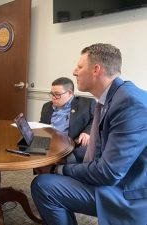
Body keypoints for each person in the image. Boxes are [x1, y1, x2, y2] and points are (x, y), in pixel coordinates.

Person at [31, 43, 147, 225]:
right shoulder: (116, 97)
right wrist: (63, 162)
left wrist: (58, 170)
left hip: (126, 192)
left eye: (79, 66)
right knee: (64, 163)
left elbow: (108, 173)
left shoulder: (130, 104)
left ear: (96, 69)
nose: (74, 71)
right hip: (119, 178)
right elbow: (101, 150)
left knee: (43, 185)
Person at [40, 77, 96, 162]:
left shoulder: (87, 104)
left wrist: (87, 132)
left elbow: (96, 119)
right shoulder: (47, 106)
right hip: (49, 144)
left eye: (57, 94)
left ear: (69, 93)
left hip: (69, 146)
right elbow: (42, 126)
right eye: (52, 94)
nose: (53, 97)